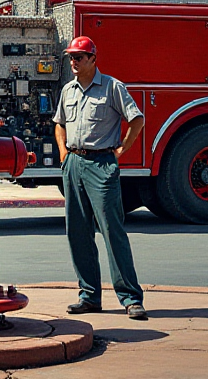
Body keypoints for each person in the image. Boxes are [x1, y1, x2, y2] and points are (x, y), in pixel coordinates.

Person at [52, 35, 148, 320]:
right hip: (74, 163)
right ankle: (89, 295)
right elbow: (59, 124)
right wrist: (63, 154)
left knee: (111, 231)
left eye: (79, 57)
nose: (74, 62)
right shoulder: (68, 90)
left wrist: (120, 150)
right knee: (77, 233)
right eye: (71, 57)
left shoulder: (112, 87)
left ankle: (130, 297)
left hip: (101, 164)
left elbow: (137, 119)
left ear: (93, 59)